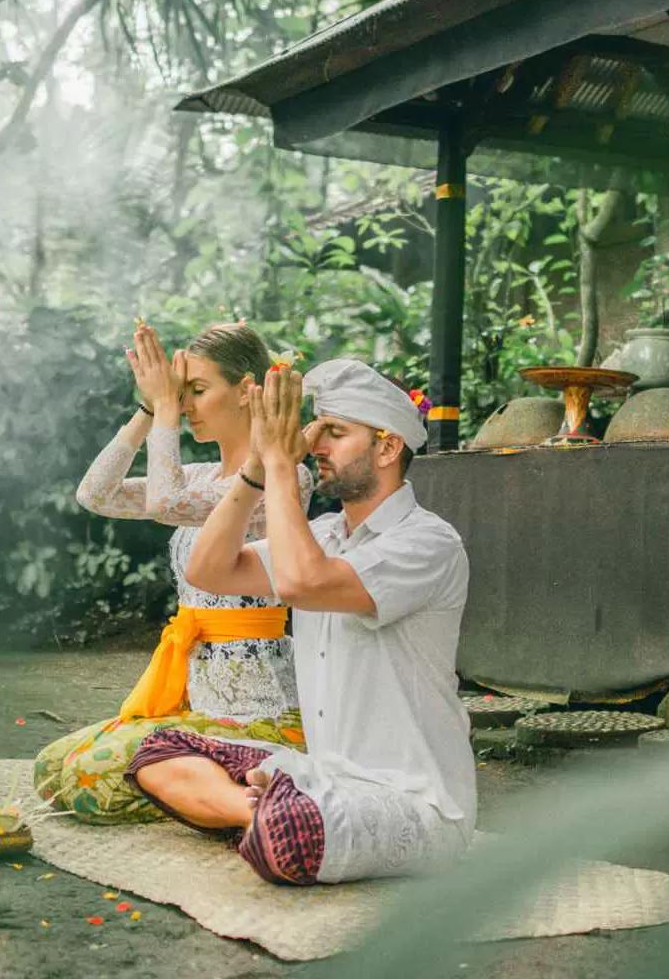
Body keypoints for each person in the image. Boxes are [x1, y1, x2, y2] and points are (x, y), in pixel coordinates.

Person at [126, 360, 474, 885]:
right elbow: (210, 569)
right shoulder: (328, 533)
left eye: (335, 432)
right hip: (321, 777)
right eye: (316, 431)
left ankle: (274, 815)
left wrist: (282, 468)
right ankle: (254, 812)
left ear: (387, 448)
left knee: (291, 834)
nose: (315, 445)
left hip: (414, 803)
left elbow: (304, 583)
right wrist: (256, 471)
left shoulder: (428, 542)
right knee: (159, 751)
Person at [34, 322, 313, 825]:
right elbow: (94, 495)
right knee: (53, 767)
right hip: (196, 701)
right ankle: (214, 782)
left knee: (86, 776)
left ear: (247, 390)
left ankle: (239, 786)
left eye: (197, 392)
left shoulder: (282, 477)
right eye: (181, 396)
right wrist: (148, 410)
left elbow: (166, 503)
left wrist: (163, 409)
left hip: (261, 710)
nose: (186, 407)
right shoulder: (206, 476)